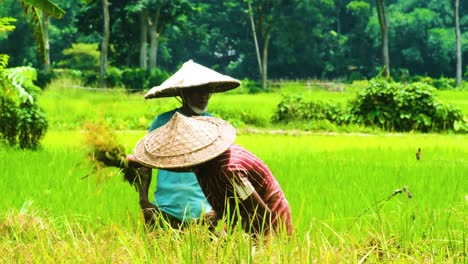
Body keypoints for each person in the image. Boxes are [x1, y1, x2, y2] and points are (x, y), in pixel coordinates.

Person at [131, 112, 293, 235]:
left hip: (272, 221)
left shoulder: (228, 171)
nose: (176, 166)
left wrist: (241, 241)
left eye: (178, 160)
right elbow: (231, 208)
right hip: (247, 219)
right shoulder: (203, 167)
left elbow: (261, 213)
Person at [130, 60, 241, 229]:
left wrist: (219, 210)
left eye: (206, 91)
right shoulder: (162, 122)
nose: (203, 96)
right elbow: (145, 164)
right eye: (197, 91)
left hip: (204, 213)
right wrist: (144, 202)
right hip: (164, 210)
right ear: (183, 93)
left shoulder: (214, 126)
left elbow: (225, 170)